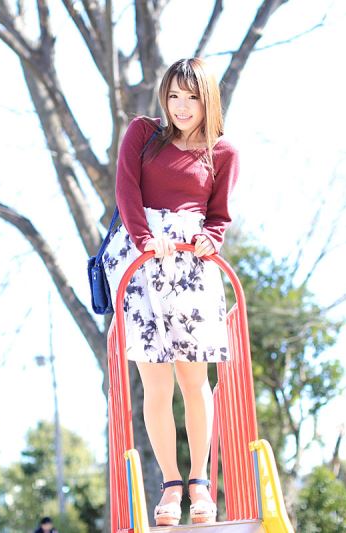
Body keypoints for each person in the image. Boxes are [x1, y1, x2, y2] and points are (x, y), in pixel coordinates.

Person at [102, 57, 240, 526]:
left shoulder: (223, 152)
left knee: (194, 381)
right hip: (143, 263)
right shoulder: (143, 133)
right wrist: (145, 240)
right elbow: (126, 191)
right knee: (156, 384)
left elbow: (219, 216)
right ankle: (170, 485)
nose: (181, 106)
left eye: (192, 97)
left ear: (208, 100)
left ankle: (199, 483)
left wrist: (210, 239)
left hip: (192, 266)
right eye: (174, 96)